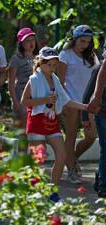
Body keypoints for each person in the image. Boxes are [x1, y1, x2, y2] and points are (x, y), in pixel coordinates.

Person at [21, 47, 87, 189]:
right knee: (37, 160)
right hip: (36, 123)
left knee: (62, 155)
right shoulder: (33, 80)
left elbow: (66, 100)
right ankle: (33, 193)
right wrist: (44, 100)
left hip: (51, 122)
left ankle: (53, 189)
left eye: (54, 65)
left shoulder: (55, 80)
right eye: (49, 64)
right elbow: (24, 102)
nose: (52, 68)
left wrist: (85, 107)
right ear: (40, 63)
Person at [57, 25, 99, 183]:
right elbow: (60, 81)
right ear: (74, 39)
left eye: (88, 42)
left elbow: (97, 79)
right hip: (71, 103)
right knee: (71, 135)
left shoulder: (92, 56)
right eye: (82, 41)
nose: (85, 44)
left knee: (91, 136)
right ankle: (71, 170)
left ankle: (72, 158)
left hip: (88, 104)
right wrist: (65, 102)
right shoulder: (65, 55)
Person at [83, 41, 106, 198]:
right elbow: (88, 93)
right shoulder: (100, 68)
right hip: (103, 109)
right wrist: (85, 116)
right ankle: (103, 185)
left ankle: (100, 177)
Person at [9, 28, 37, 129]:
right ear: (21, 43)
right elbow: (11, 83)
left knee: (33, 129)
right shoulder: (16, 59)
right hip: (20, 97)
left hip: (34, 98)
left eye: (33, 39)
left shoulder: (37, 58)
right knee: (23, 130)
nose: (31, 43)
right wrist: (15, 102)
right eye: (27, 40)